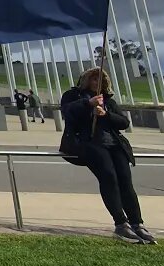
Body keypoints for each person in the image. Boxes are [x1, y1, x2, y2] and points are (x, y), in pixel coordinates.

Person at [61, 67, 155, 244]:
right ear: (86, 80)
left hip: (114, 144)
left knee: (125, 181)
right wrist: (88, 105)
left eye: (100, 80)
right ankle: (120, 223)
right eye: (93, 79)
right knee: (108, 177)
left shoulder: (108, 100)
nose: (97, 83)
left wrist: (106, 115)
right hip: (89, 143)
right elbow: (67, 112)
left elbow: (123, 122)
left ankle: (137, 223)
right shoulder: (73, 96)